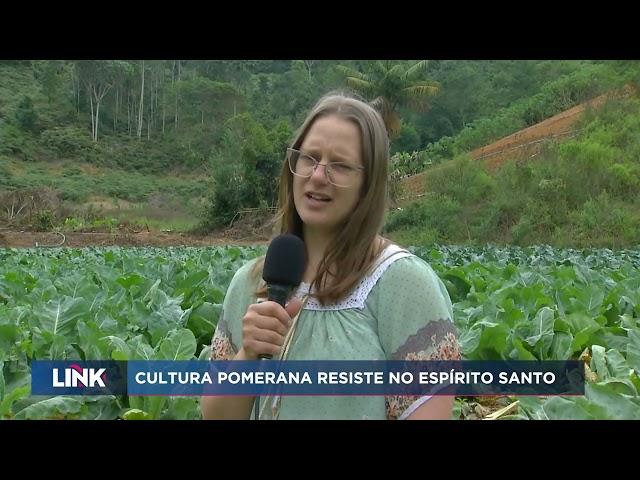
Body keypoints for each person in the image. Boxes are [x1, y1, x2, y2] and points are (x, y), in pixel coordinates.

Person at [200, 91, 461, 420]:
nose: (318, 176)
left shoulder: (404, 284)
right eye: (309, 158)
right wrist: (249, 355)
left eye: (339, 165)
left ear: (369, 183)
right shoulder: (250, 283)